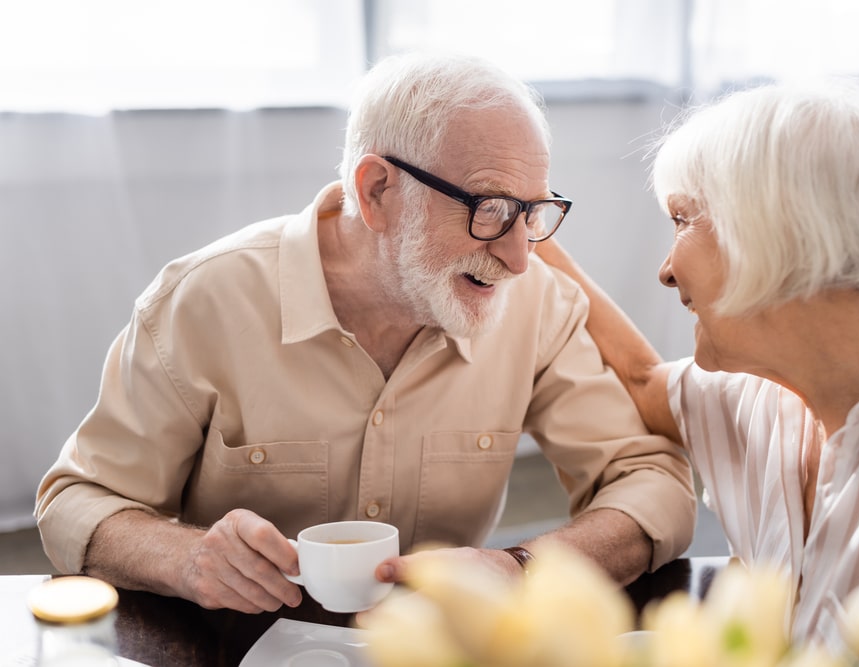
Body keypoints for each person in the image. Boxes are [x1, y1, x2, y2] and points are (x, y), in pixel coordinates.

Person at [34, 52, 695, 614]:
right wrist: (185, 557)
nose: (521, 256)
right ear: (377, 191)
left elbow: (652, 482)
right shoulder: (202, 301)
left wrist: (525, 564)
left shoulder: (537, 304)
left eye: (533, 212)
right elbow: (77, 501)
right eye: (491, 209)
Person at [537, 77, 859, 655]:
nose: (667, 270)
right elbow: (641, 380)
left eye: (682, 221)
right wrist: (526, 230)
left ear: (772, 232)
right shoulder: (759, 396)